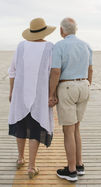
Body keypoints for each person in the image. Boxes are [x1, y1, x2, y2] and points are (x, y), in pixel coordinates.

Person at [8, 17, 56, 179]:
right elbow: (53, 73)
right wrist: (52, 94)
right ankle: (31, 166)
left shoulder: (21, 46)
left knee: (21, 125)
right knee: (35, 129)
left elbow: (12, 71)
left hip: (20, 93)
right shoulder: (50, 47)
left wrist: (11, 91)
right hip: (39, 96)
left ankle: (20, 158)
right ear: (44, 31)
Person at [49, 17, 93, 182]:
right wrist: (87, 86)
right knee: (76, 129)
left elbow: (55, 72)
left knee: (68, 130)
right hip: (84, 86)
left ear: (62, 31)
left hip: (67, 88)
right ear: (76, 30)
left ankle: (71, 170)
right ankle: (80, 164)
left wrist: (51, 94)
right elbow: (90, 69)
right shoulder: (86, 45)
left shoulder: (59, 46)